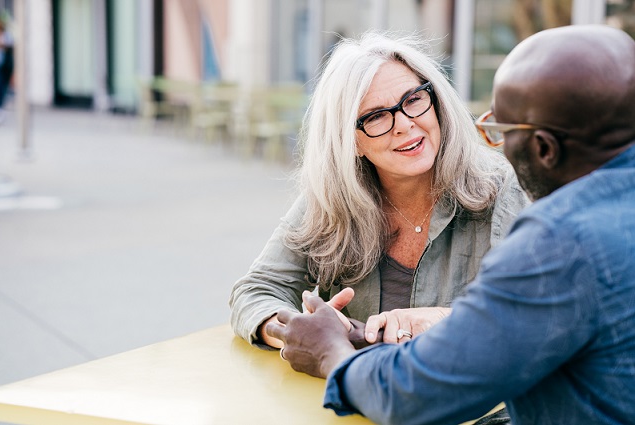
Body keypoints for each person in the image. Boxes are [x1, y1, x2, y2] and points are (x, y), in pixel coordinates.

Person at [266, 24, 635, 425]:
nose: (405, 124)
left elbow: (417, 395)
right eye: (376, 117)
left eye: (499, 133)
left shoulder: (557, 241)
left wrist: (328, 353)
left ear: (544, 148)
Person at [229, 30, 529, 353]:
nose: (404, 124)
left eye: (413, 100)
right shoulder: (333, 200)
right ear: (351, 142)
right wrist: (301, 332)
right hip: (353, 398)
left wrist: (444, 319)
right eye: (376, 117)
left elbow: (532, 314)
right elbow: (255, 290)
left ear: (436, 103)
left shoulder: (504, 190)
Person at [0, 11, 14, 124]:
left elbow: (11, 44)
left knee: (1, 88)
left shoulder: (7, 34)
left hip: (3, 67)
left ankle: (0, 110)